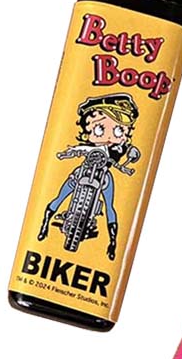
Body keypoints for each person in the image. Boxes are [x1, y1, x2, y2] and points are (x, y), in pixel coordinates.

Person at [37, 94, 139, 260]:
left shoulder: (119, 149)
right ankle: (44, 225)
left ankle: (113, 242)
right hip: (83, 171)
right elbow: (80, 149)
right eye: (100, 129)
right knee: (60, 196)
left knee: (109, 206)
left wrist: (125, 166)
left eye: (119, 130)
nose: (109, 136)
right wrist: (67, 153)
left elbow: (129, 155)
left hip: (104, 175)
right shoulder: (89, 147)